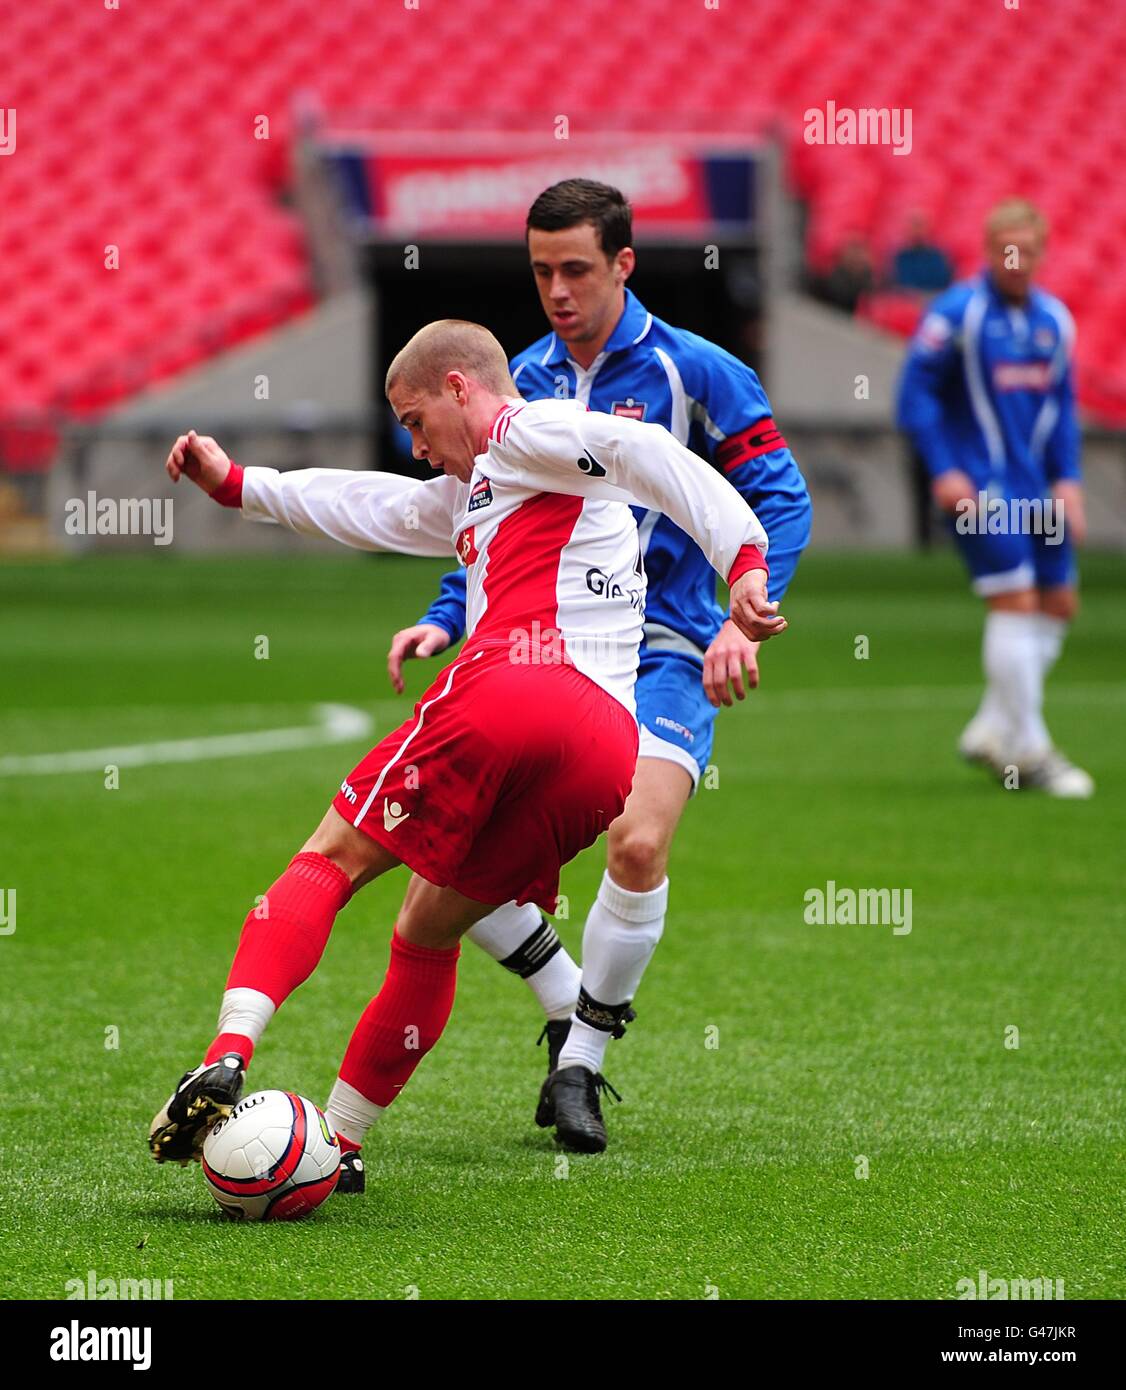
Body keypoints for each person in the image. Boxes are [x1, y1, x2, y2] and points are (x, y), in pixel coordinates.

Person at [148, 319, 787, 1180]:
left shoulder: (520, 430)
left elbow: (639, 446)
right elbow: (365, 503)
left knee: (330, 860)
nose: (415, 446)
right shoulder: (482, 487)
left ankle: (226, 1050)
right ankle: (339, 1144)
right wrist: (240, 486)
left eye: (416, 421)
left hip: (513, 687)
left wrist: (742, 557)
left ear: (460, 388)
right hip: (602, 753)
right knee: (425, 926)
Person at [387, 180, 811, 1156]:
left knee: (636, 844)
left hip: (664, 641)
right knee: (445, 852)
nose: (556, 290)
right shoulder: (512, 377)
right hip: (541, 654)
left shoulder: (697, 370)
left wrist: (743, 609)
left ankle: (578, 1058)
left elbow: (776, 496)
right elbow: (476, 520)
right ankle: (558, 990)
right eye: (540, 270)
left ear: (623, 264)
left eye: (576, 268)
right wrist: (445, 616)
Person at [896, 198, 1092, 797]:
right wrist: (944, 468)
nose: (1015, 260)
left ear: (1040, 253)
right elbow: (914, 395)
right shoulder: (956, 314)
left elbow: (1061, 410)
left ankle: (991, 726)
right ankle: (1030, 749)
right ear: (987, 251)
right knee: (1014, 598)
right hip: (981, 488)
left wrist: (1070, 479)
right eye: (1004, 248)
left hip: (1039, 489)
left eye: (1026, 250)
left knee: (1058, 604)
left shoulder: (1054, 322)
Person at [891, 212, 953, 295]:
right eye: (914, 227)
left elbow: (943, 280)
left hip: (933, 296)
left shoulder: (937, 256)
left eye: (919, 227)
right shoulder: (901, 257)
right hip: (909, 299)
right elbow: (901, 283)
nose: (917, 232)